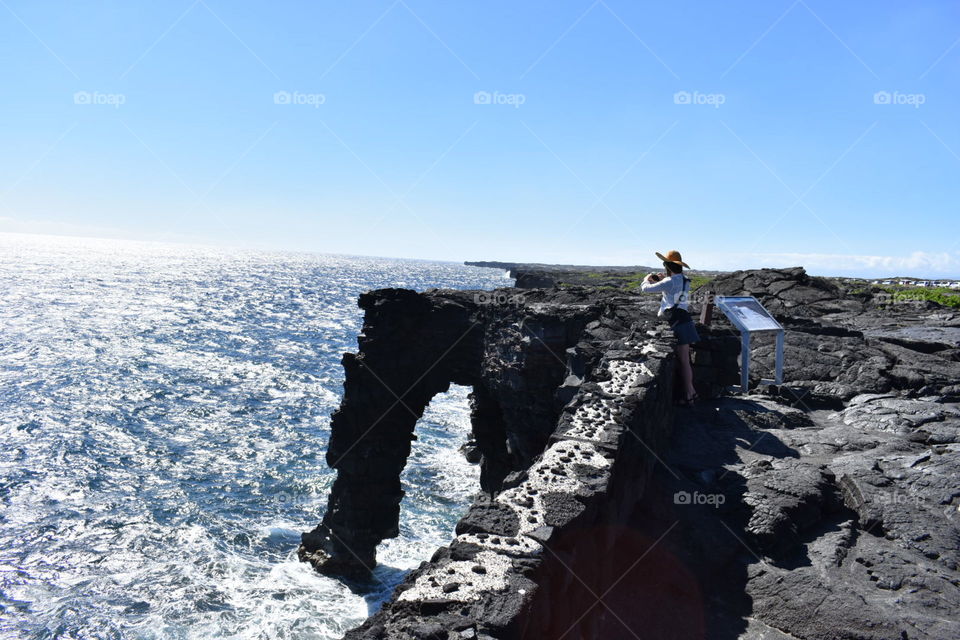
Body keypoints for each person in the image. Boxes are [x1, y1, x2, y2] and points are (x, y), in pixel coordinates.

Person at [640, 250, 699, 405]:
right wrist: (663, 278)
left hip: (675, 322)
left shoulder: (669, 281)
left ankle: (689, 393)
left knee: (683, 360)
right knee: (685, 361)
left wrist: (647, 278)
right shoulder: (686, 280)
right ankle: (691, 393)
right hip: (685, 319)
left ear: (667, 265)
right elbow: (673, 288)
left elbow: (646, 289)